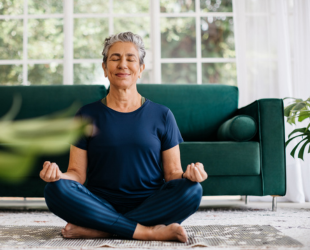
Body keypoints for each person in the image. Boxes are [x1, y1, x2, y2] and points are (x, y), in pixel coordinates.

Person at [40, 31, 208, 242]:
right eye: (115, 58)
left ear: (140, 69)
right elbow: (77, 174)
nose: (123, 65)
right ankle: (146, 231)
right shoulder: (86, 114)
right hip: (99, 203)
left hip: (150, 203)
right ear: (104, 68)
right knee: (55, 189)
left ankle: (102, 229)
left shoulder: (162, 115)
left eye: (130, 59)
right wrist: (58, 176)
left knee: (193, 190)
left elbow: (173, 174)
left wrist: (189, 176)